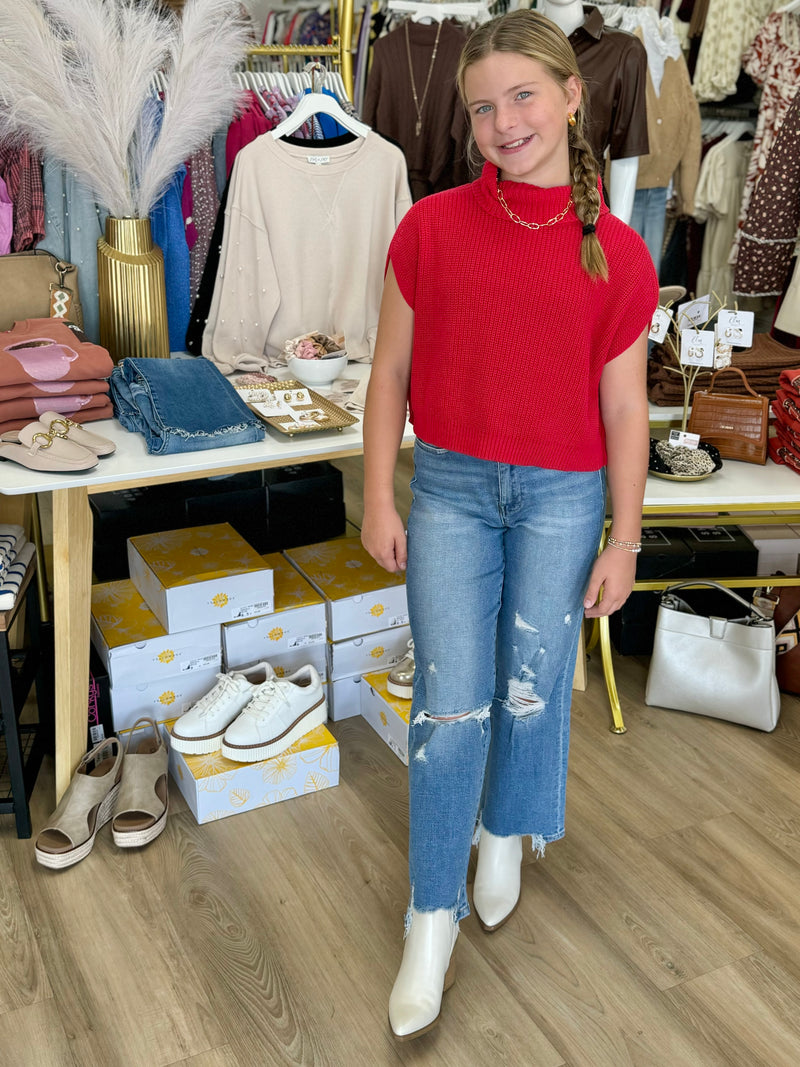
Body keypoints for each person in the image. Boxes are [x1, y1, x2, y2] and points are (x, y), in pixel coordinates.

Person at [361, 9, 658, 1042]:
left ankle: (505, 827)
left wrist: (623, 537)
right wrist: (377, 492)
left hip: (565, 495)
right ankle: (428, 915)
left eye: (522, 96)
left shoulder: (617, 253)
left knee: (530, 689)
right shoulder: (429, 226)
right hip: (447, 486)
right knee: (449, 705)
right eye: (482, 106)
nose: (502, 121)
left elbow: (625, 407)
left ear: (572, 98)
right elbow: (388, 373)